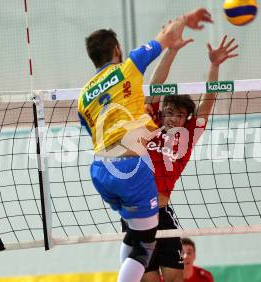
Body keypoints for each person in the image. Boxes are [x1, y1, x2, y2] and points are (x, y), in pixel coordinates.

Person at [77, 8, 213, 282]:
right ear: (117, 49)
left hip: (100, 171)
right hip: (131, 170)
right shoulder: (127, 70)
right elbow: (163, 38)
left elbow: (92, 130)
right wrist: (184, 21)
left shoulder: (83, 96)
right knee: (143, 246)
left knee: (135, 236)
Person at [121, 35, 238, 282]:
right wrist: (171, 50)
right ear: (162, 113)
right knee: (148, 280)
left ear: (186, 120)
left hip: (163, 213)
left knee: (176, 277)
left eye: (180, 115)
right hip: (138, 213)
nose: (174, 119)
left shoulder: (187, 138)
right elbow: (156, 84)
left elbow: (208, 101)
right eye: (170, 113)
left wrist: (214, 65)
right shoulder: (149, 124)